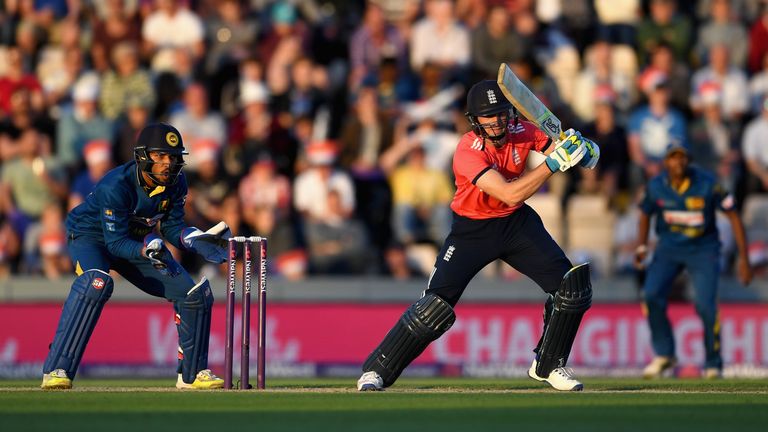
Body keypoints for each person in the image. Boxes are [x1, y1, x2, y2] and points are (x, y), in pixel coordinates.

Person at [356, 80, 600, 392]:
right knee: (433, 307)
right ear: (475, 121)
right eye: (488, 117)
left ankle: (549, 365)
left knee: (572, 289)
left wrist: (582, 149)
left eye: (500, 114)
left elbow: (563, 150)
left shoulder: (524, 131)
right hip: (472, 230)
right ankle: (376, 371)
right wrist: (553, 164)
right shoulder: (466, 151)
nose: (496, 121)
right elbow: (510, 193)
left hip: (516, 225)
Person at [40, 123, 232, 390]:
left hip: (136, 240)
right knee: (96, 283)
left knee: (192, 294)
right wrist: (146, 249)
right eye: (160, 156)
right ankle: (57, 368)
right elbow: (115, 242)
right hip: (91, 236)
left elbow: (172, 228)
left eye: (173, 157)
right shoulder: (115, 185)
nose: (168, 163)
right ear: (143, 156)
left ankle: (192, 374)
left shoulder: (177, 182)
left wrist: (196, 239)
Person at [634, 143, 752, 379]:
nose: (677, 163)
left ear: (688, 160)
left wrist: (744, 259)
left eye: (681, 158)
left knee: (705, 305)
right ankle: (664, 354)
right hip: (668, 249)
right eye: (672, 158)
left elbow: (734, 216)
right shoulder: (656, 185)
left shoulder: (708, 183)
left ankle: (713, 363)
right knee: (650, 294)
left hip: (703, 249)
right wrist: (642, 246)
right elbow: (645, 213)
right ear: (665, 162)